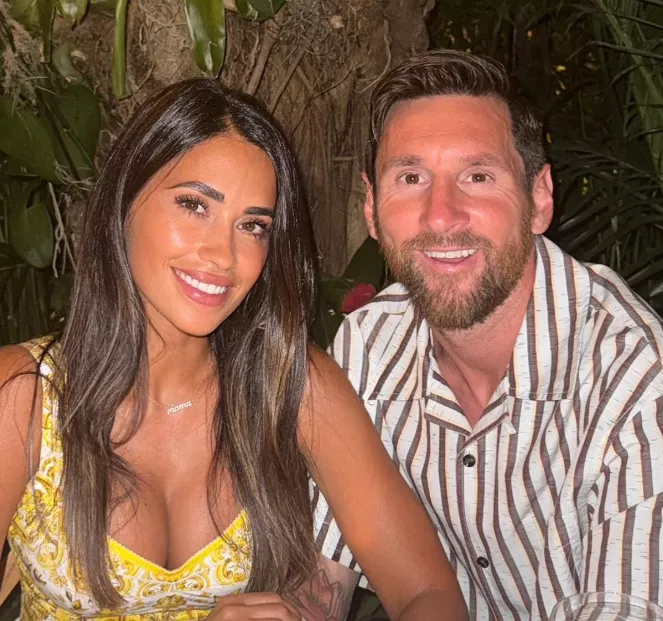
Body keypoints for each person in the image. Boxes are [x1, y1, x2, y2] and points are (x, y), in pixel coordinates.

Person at [0, 79, 467, 621]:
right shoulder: (24, 395)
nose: (223, 255)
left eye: (252, 225)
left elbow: (429, 594)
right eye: (194, 205)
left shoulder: (289, 383)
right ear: (125, 202)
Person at [312, 50, 663, 619]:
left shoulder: (633, 374)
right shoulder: (368, 345)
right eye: (411, 178)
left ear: (539, 199)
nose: (441, 215)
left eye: (477, 176)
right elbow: (322, 572)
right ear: (372, 209)